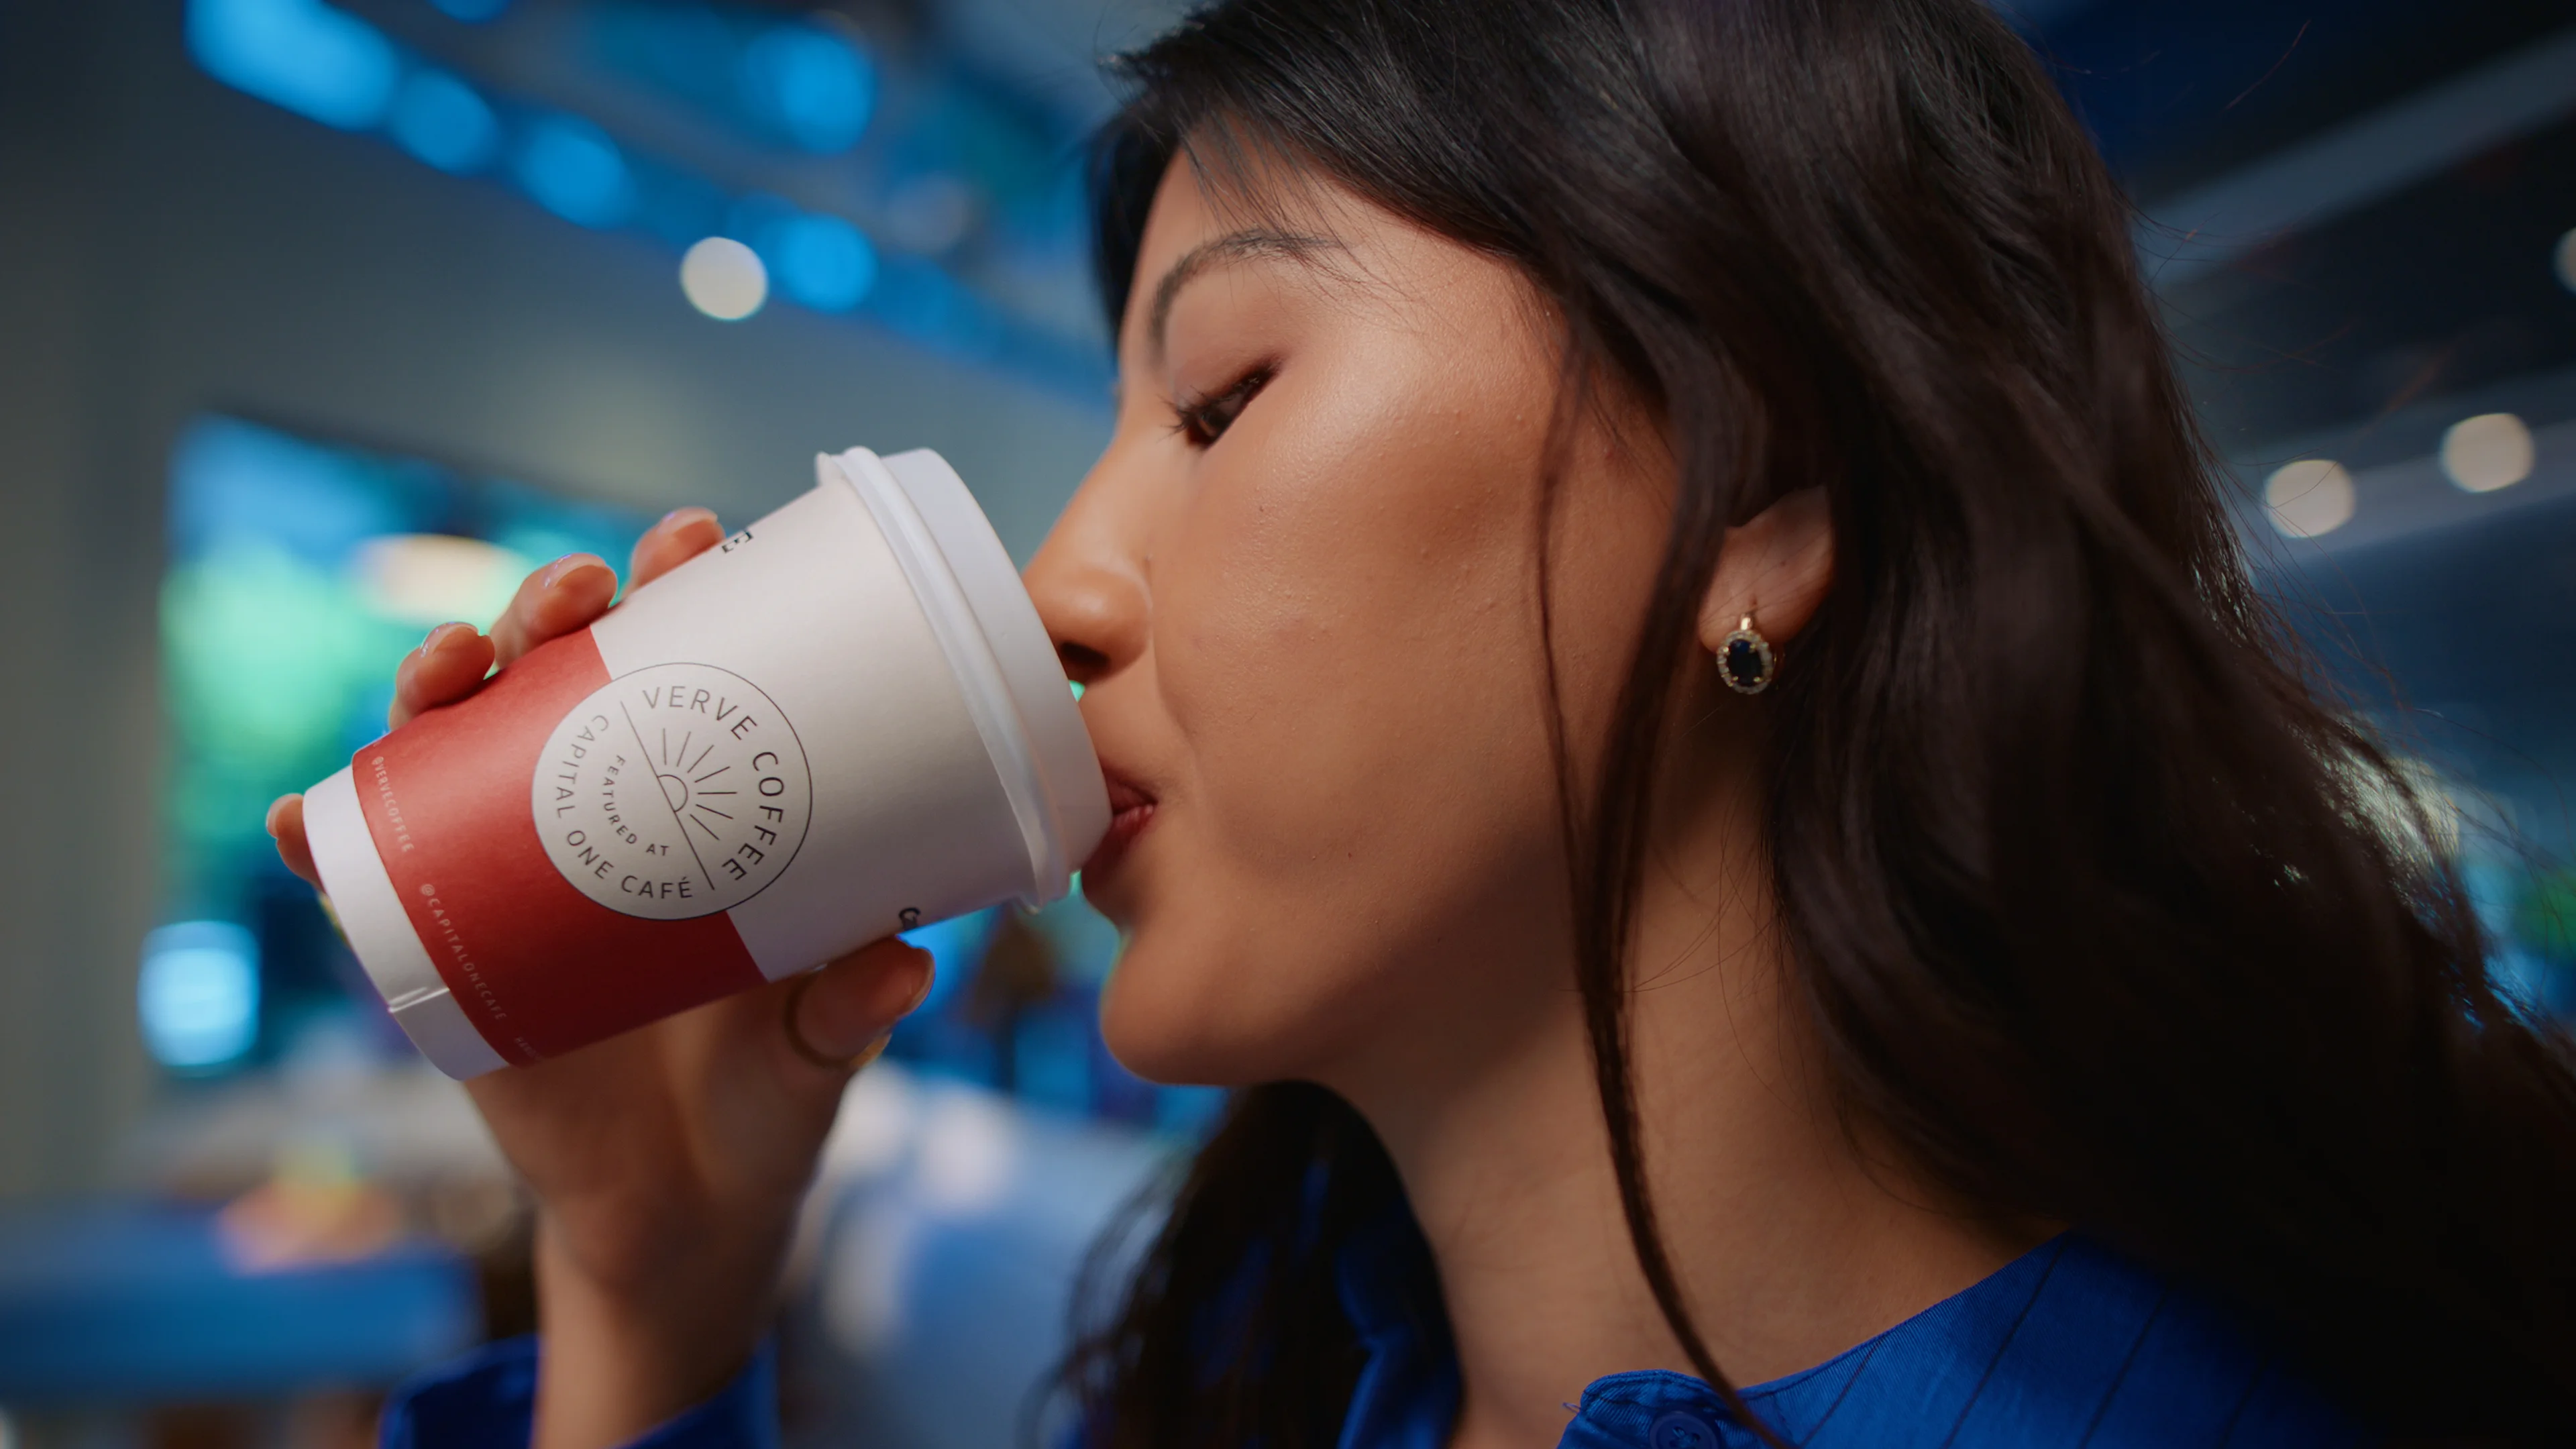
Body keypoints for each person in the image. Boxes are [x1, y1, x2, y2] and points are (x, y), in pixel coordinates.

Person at [266, 0, 2576, 1444]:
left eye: (1225, 391)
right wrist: (651, 1295)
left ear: (1765, 481)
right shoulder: (1252, 1357)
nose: (1065, 585)